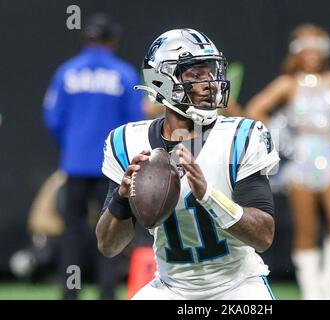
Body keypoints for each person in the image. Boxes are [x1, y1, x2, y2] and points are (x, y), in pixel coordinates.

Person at [96, 28, 280, 300]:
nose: (210, 83)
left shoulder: (241, 136)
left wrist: (209, 196)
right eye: (196, 75)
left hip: (238, 288)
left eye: (212, 72)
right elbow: (108, 245)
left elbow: (264, 236)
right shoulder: (126, 141)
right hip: (170, 288)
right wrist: (122, 200)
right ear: (161, 81)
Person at [246, 24, 330, 300]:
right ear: (296, 53)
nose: (312, 54)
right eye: (306, 48)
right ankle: (312, 291)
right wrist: (280, 136)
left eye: (317, 48)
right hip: (301, 162)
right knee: (306, 228)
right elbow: (256, 109)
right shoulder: (287, 84)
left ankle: (328, 286)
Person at [43, 13, 144, 299]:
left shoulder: (67, 72)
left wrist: (72, 145)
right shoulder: (124, 74)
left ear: (86, 38)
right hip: (110, 169)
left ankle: (69, 292)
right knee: (111, 229)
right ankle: (107, 292)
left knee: (72, 231)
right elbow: (134, 121)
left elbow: (52, 118)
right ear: (113, 41)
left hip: (75, 165)